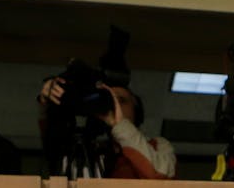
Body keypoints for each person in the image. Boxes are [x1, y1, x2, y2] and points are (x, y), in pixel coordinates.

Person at [39, 77, 175, 179]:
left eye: (121, 100)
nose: (114, 105)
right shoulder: (90, 150)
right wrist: (49, 100)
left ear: (137, 110)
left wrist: (120, 125)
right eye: (109, 100)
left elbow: (160, 175)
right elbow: (52, 143)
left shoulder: (158, 145)